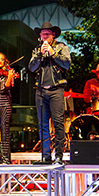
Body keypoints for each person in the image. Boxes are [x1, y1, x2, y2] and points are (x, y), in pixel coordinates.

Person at [29, 22, 72, 164]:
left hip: (56, 90)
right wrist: (40, 55)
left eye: (48, 33)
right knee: (42, 124)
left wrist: (53, 53)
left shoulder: (61, 47)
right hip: (41, 91)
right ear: (40, 36)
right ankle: (45, 156)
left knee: (59, 123)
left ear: (53, 35)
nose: (45, 36)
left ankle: (59, 155)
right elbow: (31, 67)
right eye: (43, 34)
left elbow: (67, 64)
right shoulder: (37, 50)